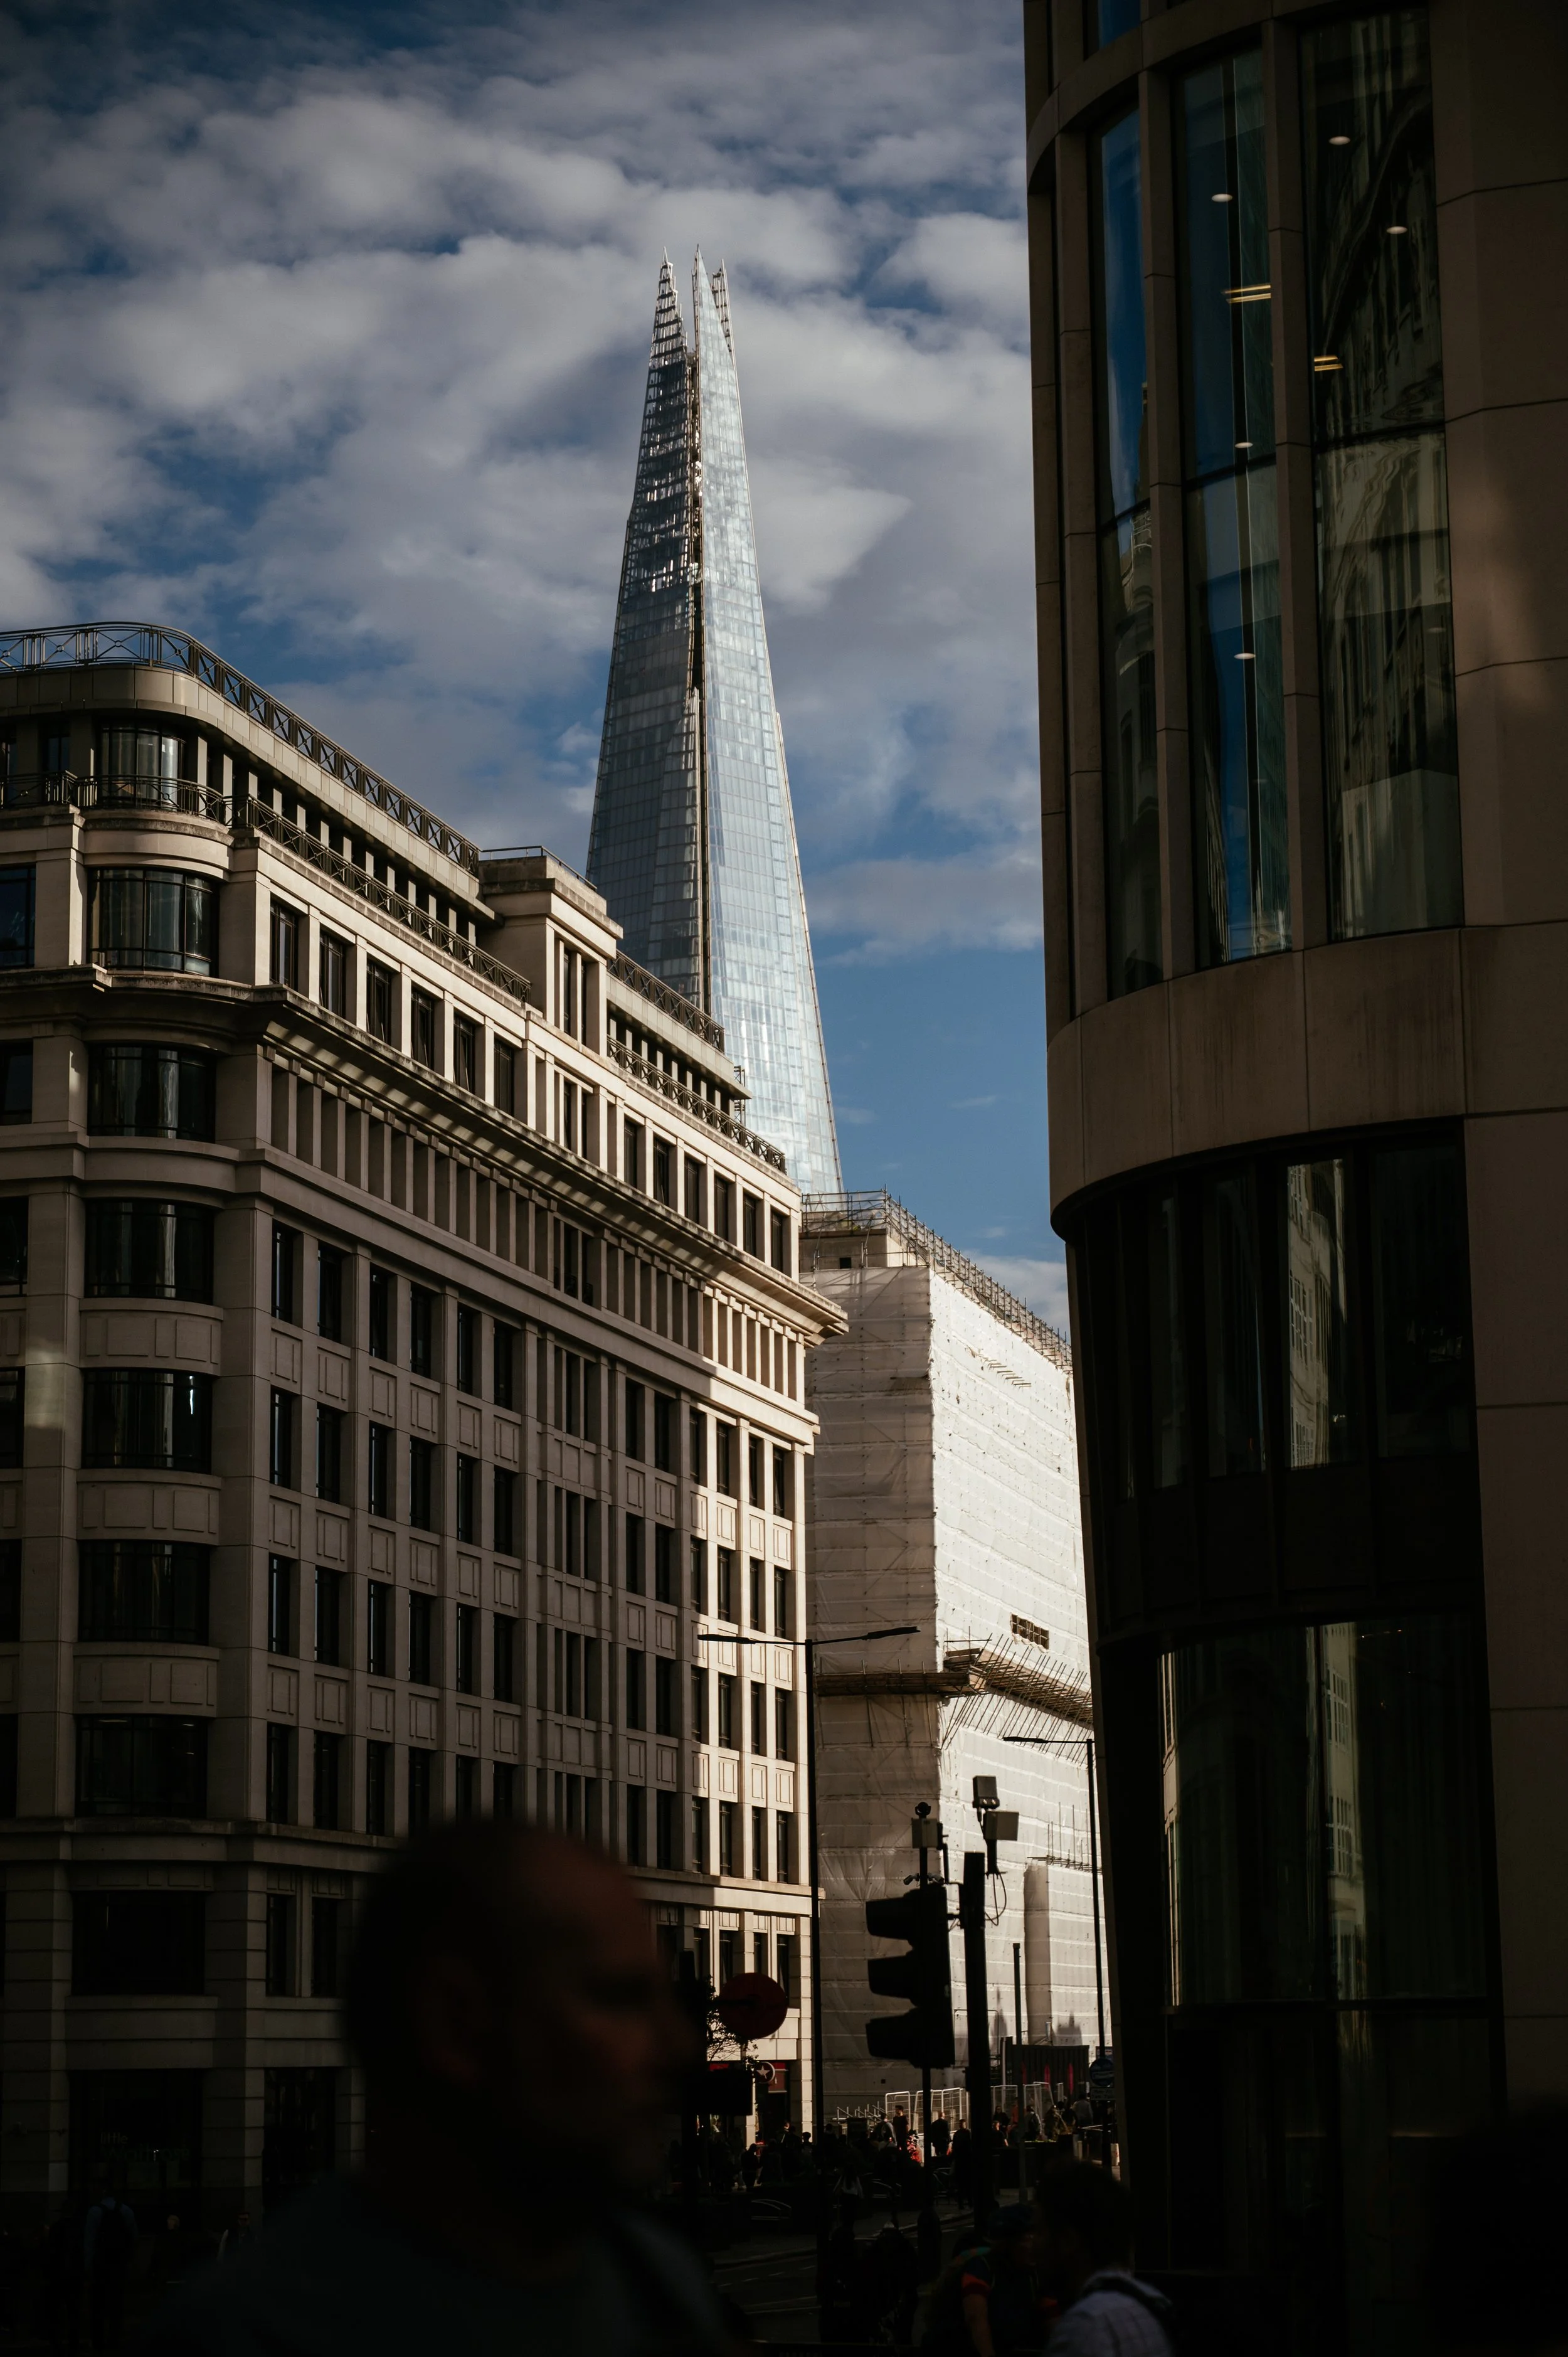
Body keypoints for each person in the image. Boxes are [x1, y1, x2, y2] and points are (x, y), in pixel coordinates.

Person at [139, 1819, 726, 2356]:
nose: (676, 2046)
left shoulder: (657, 2280)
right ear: (457, 2021)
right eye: (618, 1997)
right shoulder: (246, 2335)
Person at [1032, 2159, 1172, 2356]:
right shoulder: (1150, 2305)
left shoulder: (1083, 2327)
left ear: (1068, 2240)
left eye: (1039, 2231)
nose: (1033, 2245)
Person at [82, 2183, 136, 2352]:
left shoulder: (95, 2212)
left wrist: (88, 2268)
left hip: (101, 2265)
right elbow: (134, 2238)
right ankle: (114, 2341)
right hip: (119, 2265)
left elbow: (89, 2243)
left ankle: (98, 2342)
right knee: (117, 2306)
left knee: (98, 2306)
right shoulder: (126, 2211)